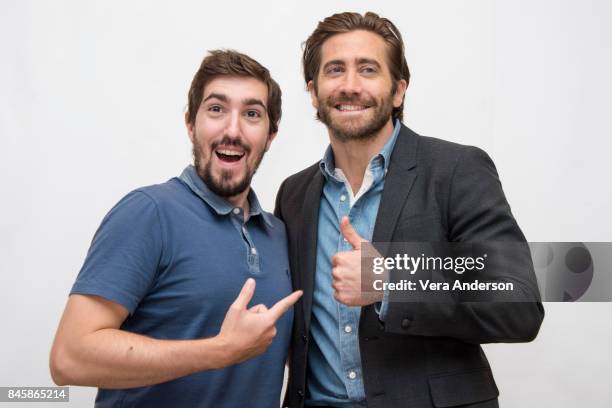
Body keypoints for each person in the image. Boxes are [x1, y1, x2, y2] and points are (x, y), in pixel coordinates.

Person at [274, 12, 544, 408]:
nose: (350, 86)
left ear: (398, 90)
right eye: (335, 70)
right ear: (314, 92)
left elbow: (520, 305)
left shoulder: (456, 170)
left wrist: (390, 282)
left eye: (367, 69)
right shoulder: (293, 194)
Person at [50, 49, 302, 407]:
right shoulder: (148, 213)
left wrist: (379, 279)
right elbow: (69, 359)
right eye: (216, 109)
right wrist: (219, 351)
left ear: (271, 135)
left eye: (251, 114)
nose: (233, 129)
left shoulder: (279, 233)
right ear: (190, 124)